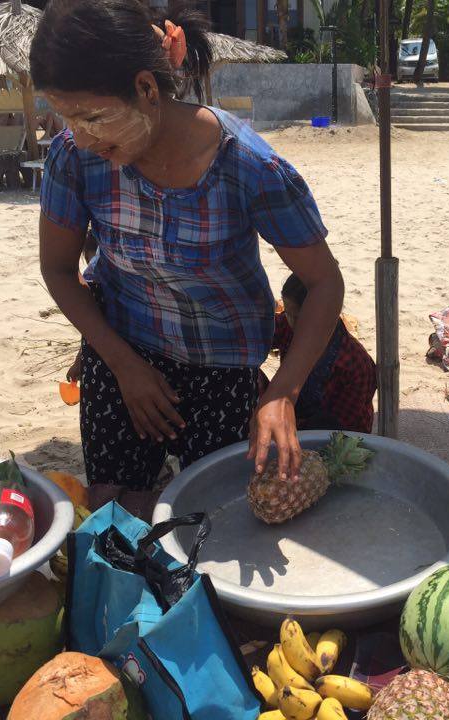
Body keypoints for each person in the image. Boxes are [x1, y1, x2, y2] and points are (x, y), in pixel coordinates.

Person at [30, 0, 343, 490]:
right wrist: (122, 364)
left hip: (223, 368)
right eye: (67, 119)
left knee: (211, 513)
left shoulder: (248, 167)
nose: (82, 138)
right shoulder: (74, 158)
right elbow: (58, 269)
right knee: (116, 508)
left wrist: (283, 391)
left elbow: (324, 283)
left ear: (146, 89)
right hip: (119, 349)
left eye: (91, 117)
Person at [268, 274, 377, 433]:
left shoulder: (355, 364)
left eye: (296, 317)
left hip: (336, 434)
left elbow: (342, 427)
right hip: (294, 419)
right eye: (287, 313)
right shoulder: (290, 326)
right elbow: (259, 334)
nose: (290, 321)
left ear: (325, 315)